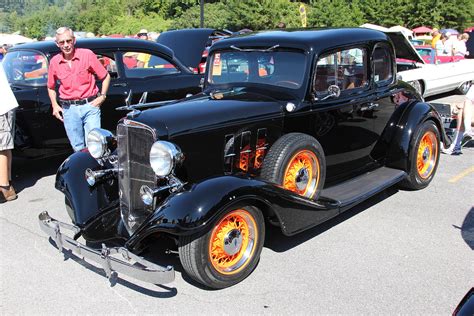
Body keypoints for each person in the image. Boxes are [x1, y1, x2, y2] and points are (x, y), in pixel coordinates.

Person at [47, 26, 110, 151]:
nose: (66, 45)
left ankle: (97, 168)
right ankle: (83, 170)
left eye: (68, 41)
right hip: (69, 109)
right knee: (77, 147)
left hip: (90, 105)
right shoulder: (54, 61)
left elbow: (105, 76)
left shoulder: (87, 54)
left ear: (74, 40)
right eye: (62, 42)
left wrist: (102, 96)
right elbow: (50, 86)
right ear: (57, 44)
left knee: (94, 143)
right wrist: (54, 105)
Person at [0, 63, 19, 202]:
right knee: (4, 146)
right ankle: (7, 182)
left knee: (2, 146)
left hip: (2, 107)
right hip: (5, 105)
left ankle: (5, 187)